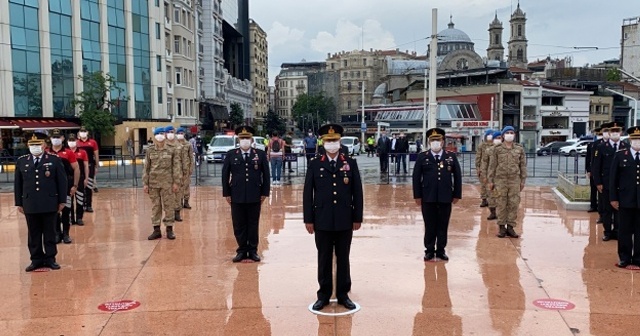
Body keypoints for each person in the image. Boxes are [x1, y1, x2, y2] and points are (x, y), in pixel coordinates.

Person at [303, 124, 363, 311]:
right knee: (324, 257)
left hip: (345, 218)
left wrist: (357, 217)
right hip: (322, 219)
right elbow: (307, 193)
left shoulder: (349, 162)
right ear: (322, 142)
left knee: (344, 257)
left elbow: (357, 192)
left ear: (340, 141)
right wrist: (308, 219)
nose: (331, 144)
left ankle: (343, 294)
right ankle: (324, 295)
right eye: (328, 141)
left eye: (335, 140)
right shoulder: (315, 163)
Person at [15, 133, 67, 272]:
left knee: (50, 232)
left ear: (44, 145)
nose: (35, 147)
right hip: (30, 203)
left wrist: (62, 200)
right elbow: (18, 184)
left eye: (37, 145)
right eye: (32, 145)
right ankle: (36, 259)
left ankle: (50, 259)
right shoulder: (22, 161)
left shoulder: (54, 160)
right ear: (28, 146)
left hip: (49, 202)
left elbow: (62, 182)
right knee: (33, 233)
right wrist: (19, 202)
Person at [222, 126, 270, 262]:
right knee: (239, 224)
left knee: (253, 223)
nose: (245, 140)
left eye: (247, 138)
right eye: (242, 138)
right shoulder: (231, 154)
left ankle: (253, 250)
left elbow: (266, 175)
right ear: (238, 139)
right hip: (236, 194)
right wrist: (227, 193)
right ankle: (242, 250)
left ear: (251, 139)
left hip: (255, 194)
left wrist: (264, 192)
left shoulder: (259, 154)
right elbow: (225, 175)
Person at [413, 128, 462, 261]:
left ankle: (441, 250)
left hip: (446, 196)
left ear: (442, 141)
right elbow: (416, 177)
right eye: (433, 140)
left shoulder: (450, 157)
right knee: (429, 224)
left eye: (438, 140)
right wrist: (417, 195)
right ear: (429, 142)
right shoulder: (423, 157)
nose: (435, 142)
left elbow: (457, 176)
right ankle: (429, 250)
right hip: (427, 197)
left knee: (443, 224)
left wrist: (457, 194)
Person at [487, 126, 527, 238]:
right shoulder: (497, 149)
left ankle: (510, 227)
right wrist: (490, 180)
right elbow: (492, 165)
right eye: (507, 132)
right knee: (501, 203)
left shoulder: (519, 149)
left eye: (512, 132)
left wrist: (523, 180)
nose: (510, 134)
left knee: (513, 204)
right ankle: (501, 228)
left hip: (514, 180)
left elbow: (523, 165)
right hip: (500, 180)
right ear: (503, 135)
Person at [143, 127, 181, 240]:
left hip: (167, 183)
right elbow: (146, 168)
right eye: (157, 134)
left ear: (164, 135)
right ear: (154, 136)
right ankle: (156, 230)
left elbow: (176, 166)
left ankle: (169, 229)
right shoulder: (150, 150)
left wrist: (176, 182)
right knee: (156, 207)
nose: (160, 136)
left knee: (169, 206)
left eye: (161, 133)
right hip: (153, 184)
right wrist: (145, 183)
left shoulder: (171, 149)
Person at [610, 126, 640, 269]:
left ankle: (638, 259)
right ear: (629, 139)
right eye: (634, 139)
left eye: (639, 139)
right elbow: (613, 179)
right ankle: (625, 258)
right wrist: (613, 198)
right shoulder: (621, 155)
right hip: (625, 199)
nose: (637, 142)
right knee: (625, 230)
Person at [593, 122, 627, 241]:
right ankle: (607, 232)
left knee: (619, 209)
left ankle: (617, 232)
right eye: (612, 131)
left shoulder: (625, 146)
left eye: (617, 131)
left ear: (621, 132)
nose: (615, 133)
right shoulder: (601, 147)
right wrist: (598, 183)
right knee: (607, 210)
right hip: (606, 183)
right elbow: (596, 166)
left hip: (621, 185)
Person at [46, 129, 80, 244]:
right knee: (54, 211)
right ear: (50, 139)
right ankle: (57, 233)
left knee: (66, 210)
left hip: (66, 186)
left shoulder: (68, 152)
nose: (56, 139)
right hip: (51, 188)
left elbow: (76, 169)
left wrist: (75, 185)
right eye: (54, 137)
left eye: (58, 137)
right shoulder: (46, 152)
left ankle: (66, 234)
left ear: (62, 139)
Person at [165, 126, 188, 222]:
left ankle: (177, 213)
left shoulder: (179, 146)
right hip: (165, 175)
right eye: (169, 132)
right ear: (165, 133)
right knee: (166, 197)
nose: (171, 133)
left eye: (172, 132)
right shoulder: (162, 145)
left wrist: (185, 172)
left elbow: (184, 160)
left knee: (178, 195)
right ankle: (168, 215)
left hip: (178, 174)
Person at [76, 126, 99, 212]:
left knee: (89, 186)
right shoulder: (76, 143)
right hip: (79, 167)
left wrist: (96, 165)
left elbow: (96, 154)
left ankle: (89, 205)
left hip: (90, 165)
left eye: (84, 131)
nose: (83, 133)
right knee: (80, 187)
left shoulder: (92, 142)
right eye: (81, 131)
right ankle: (81, 205)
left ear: (87, 132)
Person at [68, 134, 90, 226]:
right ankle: (71, 218)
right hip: (68, 179)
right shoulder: (66, 152)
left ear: (76, 141)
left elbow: (86, 166)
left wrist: (86, 178)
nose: (72, 142)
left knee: (80, 198)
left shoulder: (82, 152)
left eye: (73, 140)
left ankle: (79, 218)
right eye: (70, 140)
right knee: (69, 200)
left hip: (80, 178)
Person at [481, 131, 503, 220]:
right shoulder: (488, 150)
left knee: (502, 197)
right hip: (491, 178)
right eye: (496, 138)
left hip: (502, 178)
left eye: (500, 138)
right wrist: (484, 176)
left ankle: (502, 215)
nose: (498, 140)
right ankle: (493, 213)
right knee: (491, 196)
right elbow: (484, 164)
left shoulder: (506, 150)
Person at [476, 129, 494, 208]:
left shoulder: (495, 145)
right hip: (483, 168)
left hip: (493, 167)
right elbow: (478, 157)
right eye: (488, 134)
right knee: (483, 184)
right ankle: (484, 199)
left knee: (492, 184)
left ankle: (492, 201)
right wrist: (478, 167)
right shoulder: (482, 145)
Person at [176, 128, 194, 209]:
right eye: (179, 133)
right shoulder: (175, 144)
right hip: (177, 169)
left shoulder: (188, 144)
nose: (180, 134)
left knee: (186, 186)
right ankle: (179, 202)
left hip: (186, 169)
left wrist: (191, 168)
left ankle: (186, 202)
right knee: (178, 186)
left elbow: (191, 157)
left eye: (181, 133)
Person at [585, 127, 601, 213]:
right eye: (597, 134)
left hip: (603, 172)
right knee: (593, 189)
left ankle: (601, 207)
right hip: (593, 171)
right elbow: (588, 159)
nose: (598, 136)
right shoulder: (591, 145)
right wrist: (588, 170)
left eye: (600, 134)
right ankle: (593, 205)